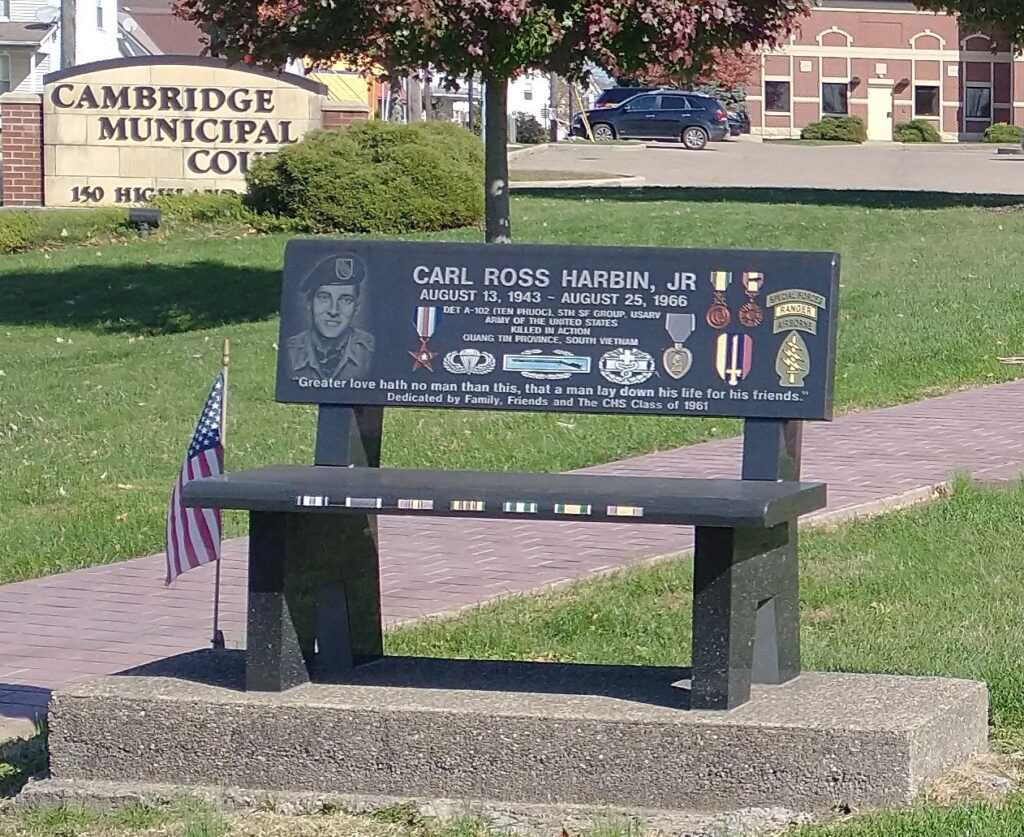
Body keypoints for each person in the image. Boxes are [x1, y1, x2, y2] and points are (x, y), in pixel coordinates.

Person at [287, 254, 375, 381]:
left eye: (345, 300)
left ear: (356, 307)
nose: (333, 310)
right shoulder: (290, 353)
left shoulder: (370, 353)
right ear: (309, 303)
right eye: (324, 297)